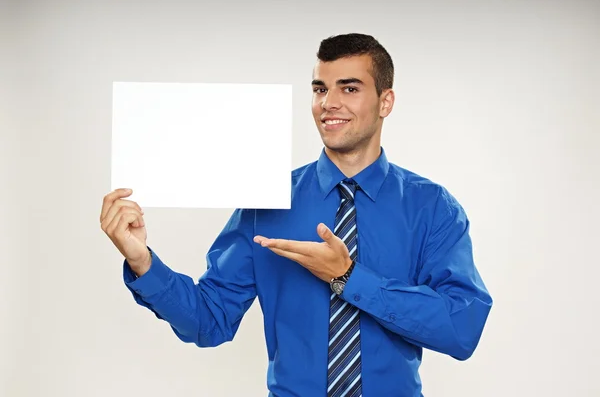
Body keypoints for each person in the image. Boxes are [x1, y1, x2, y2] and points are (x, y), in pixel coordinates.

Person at [100, 33, 493, 397]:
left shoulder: (432, 207)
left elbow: (462, 329)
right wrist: (141, 259)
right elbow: (209, 320)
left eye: (349, 88)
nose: (329, 103)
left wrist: (349, 278)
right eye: (320, 89)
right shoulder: (265, 202)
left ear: (385, 102)